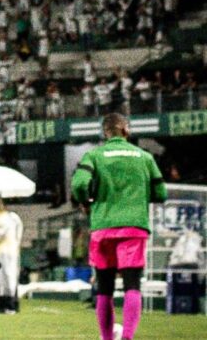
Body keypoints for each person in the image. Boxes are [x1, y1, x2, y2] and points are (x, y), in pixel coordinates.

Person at [71, 113, 167, 340]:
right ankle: (127, 337)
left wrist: (86, 202)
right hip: (134, 227)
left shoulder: (94, 155)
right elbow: (161, 193)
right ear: (126, 130)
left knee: (105, 288)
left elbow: (79, 184)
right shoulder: (144, 157)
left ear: (105, 133)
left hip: (103, 226)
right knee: (132, 285)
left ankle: (107, 338)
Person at [0, 199, 23, 314]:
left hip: (8, 250)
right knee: (1, 278)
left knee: (9, 276)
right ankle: (3, 304)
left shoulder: (7, 217)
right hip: (1, 251)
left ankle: (11, 304)